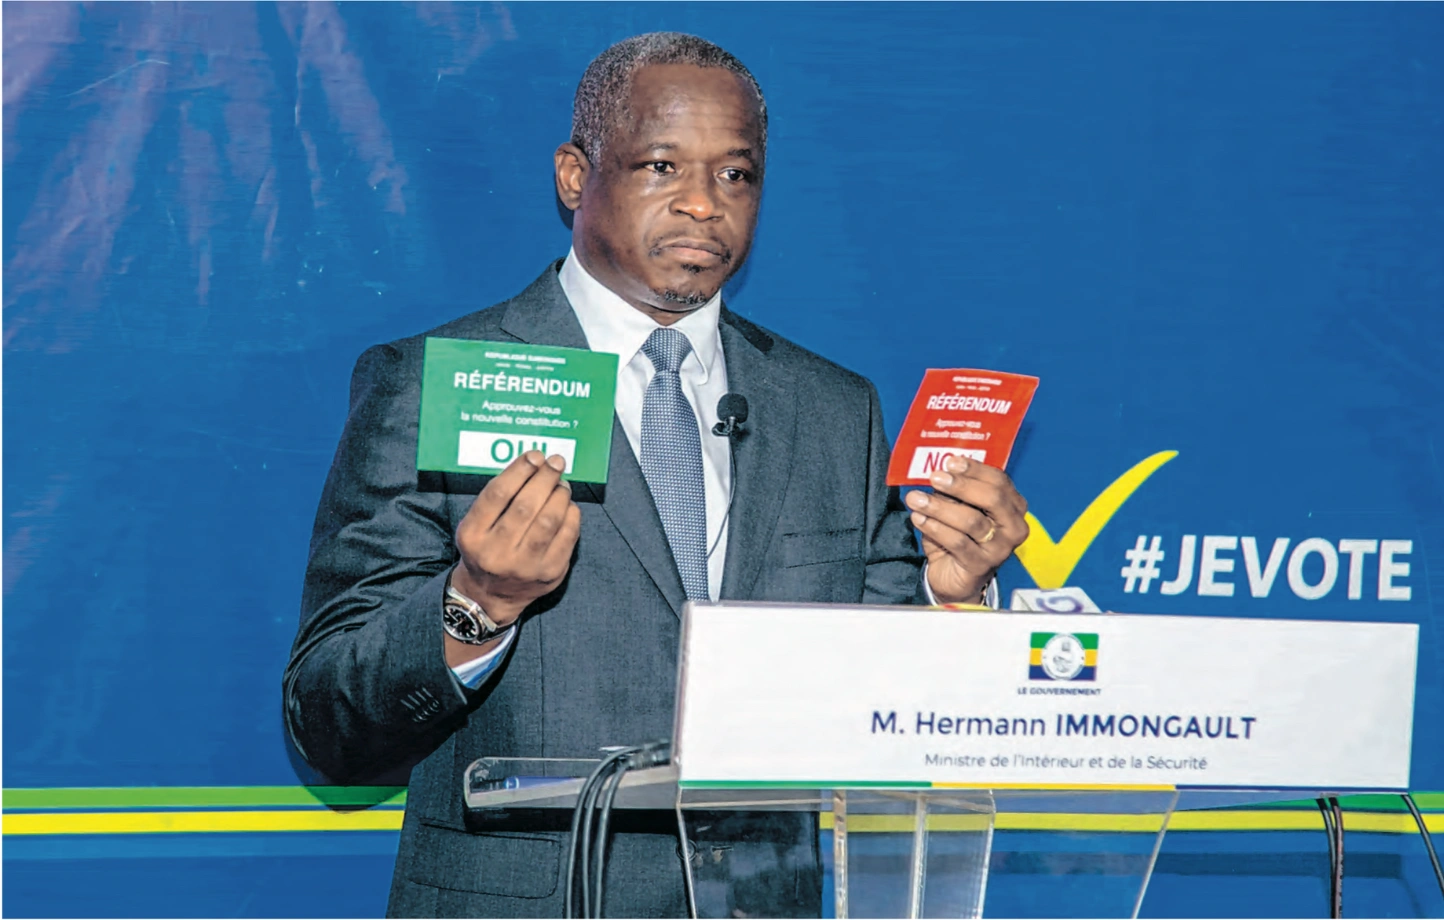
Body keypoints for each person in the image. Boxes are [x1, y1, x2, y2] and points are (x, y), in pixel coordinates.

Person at [284, 32, 1030, 919]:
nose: (704, 206)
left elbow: (886, 709)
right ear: (575, 176)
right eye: (661, 166)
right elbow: (328, 723)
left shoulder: (833, 409)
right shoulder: (443, 380)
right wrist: (476, 602)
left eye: (735, 175)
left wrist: (950, 604)